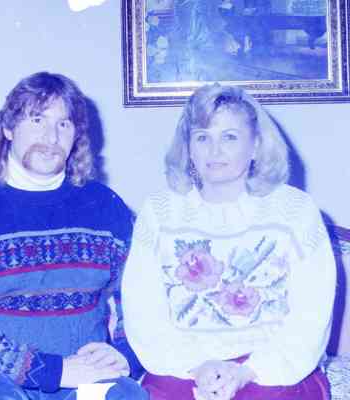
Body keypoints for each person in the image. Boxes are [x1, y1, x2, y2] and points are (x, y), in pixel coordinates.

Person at [122, 83, 335, 400]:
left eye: (230, 137)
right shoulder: (159, 211)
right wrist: (197, 366)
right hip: (185, 368)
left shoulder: (296, 210)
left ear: (256, 145)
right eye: (202, 137)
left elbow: (310, 316)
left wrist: (247, 372)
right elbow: (143, 312)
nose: (214, 150)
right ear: (188, 147)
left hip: (274, 371)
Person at [0, 72, 147, 400]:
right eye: (37, 119)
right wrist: (51, 371)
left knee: (122, 396)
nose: (51, 136)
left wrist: (126, 354)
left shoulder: (105, 207)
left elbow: (138, 300)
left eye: (64, 124)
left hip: (83, 383)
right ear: (8, 128)